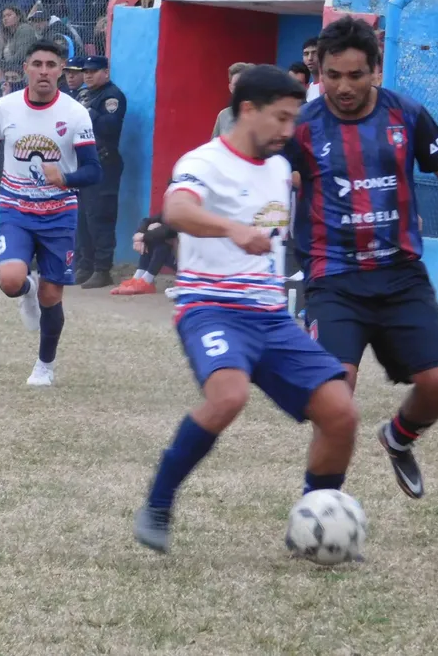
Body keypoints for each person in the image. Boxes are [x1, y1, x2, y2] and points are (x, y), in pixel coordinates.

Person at [133, 65, 358, 555]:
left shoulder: (279, 167)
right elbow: (177, 210)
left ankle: (314, 523)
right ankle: (157, 503)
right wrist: (230, 229)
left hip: (271, 316)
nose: (287, 130)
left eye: (293, 119)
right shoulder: (205, 161)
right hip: (210, 307)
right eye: (280, 118)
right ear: (248, 110)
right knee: (228, 397)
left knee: (341, 413)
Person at [286, 17, 438, 500]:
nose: (343, 87)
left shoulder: (407, 115)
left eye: (355, 75)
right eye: (332, 76)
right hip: (334, 278)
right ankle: (319, 504)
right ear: (319, 73)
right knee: (336, 399)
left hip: (401, 276)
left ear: (376, 70)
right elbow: (262, 179)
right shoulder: (302, 128)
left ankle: (398, 438)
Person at [0, 41, 102, 386]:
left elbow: (94, 171)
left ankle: (45, 366)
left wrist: (66, 178)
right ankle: (26, 289)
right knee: (11, 279)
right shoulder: (4, 108)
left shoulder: (75, 114)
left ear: (61, 70)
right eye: (37, 64)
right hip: (17, 209)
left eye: (51, 65)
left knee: (52, 296)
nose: (44, 71)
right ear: (26, 67)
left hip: (59, 214)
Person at [75, 55, 126, 289]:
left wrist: (88, 113)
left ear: (105, 72)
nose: (88, 75)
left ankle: (102, 269)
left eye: (93, 71)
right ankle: (85, 266)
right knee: (83, 218)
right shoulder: (84, 95)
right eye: (85, 71)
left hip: (104, 162)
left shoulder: (112, 95)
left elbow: (110, 126)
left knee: (100, 217)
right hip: (83, 163)